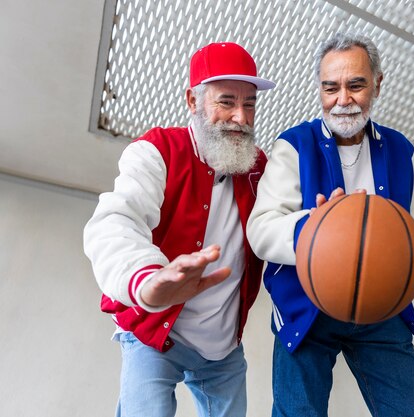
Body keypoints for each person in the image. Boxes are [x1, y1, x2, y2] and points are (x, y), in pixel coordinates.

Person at [246, 32, 414, 417]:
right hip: (305, 308)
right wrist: (320, 229)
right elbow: (261, 230)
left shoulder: (401, 151)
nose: (342, 99)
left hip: (381, 307)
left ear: (378, 84)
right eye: (331, 88)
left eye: (356, 85)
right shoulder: (293, 145)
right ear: (320, 90)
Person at [83, 42, 275, 417]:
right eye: (226, 101)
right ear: (193, 100)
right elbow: (117, 220)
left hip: (223, 351)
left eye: (249, 103)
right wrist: (147, 281)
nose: (240, 116)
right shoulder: (157, 150)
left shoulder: (259, 168)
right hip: (155, 333)